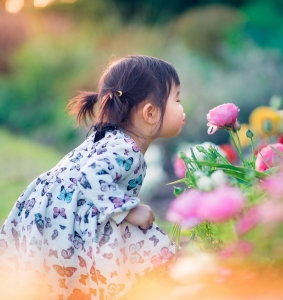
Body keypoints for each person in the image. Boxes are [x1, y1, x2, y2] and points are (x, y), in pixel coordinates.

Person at [0, 55, 186, 299]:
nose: (182, 107)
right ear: (150, 113)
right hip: (64, 217)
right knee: (150, 242)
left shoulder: (110, 138)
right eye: (177, 99)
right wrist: (129, 209)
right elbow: (91, 176)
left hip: (57, 214)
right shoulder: (126, 148)